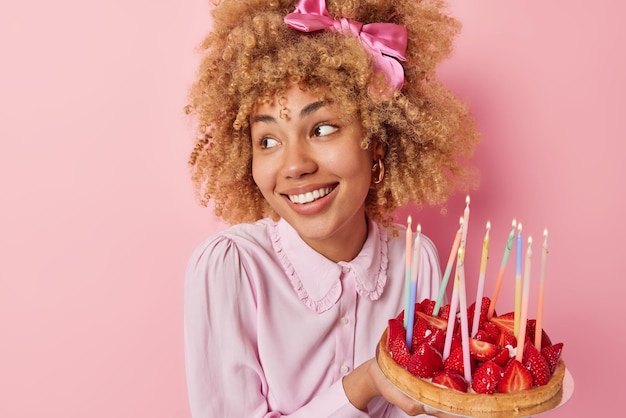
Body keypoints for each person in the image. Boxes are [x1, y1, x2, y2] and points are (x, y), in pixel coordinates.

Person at [183, 0, 479, 416]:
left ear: (376, 141)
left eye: (322, 128)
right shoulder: (231, 268)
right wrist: (363, 385)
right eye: (267, 140)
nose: (295, 166)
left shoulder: (417, 260)